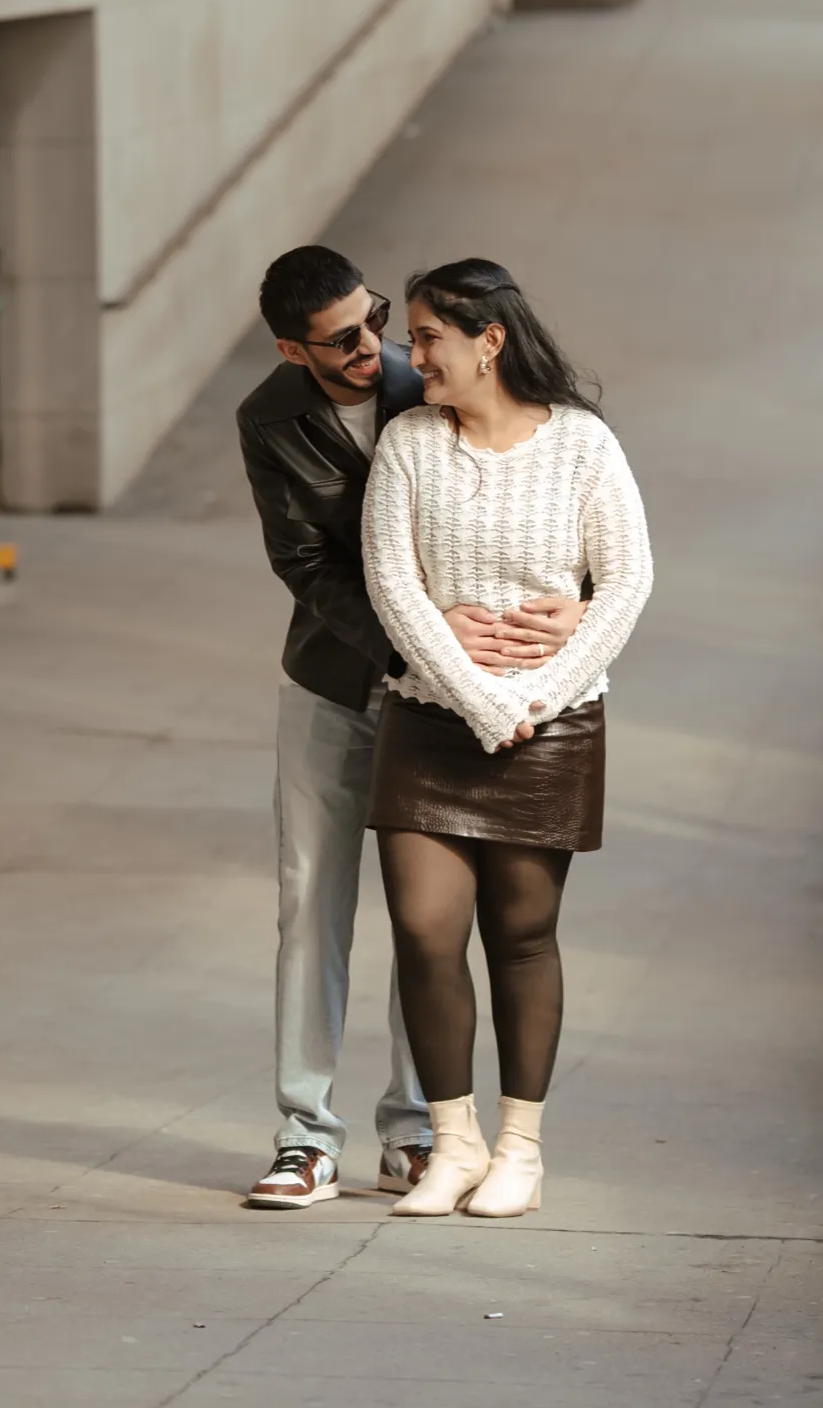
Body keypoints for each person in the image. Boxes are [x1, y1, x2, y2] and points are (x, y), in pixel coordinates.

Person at [236, 245, 588, 1209]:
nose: (374, 347)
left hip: (443, 695)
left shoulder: (433, 378)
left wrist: (580, 598)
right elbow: (304, 564)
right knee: (310, 902)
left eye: (377, 320)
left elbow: (542, 487)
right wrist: (416, 636)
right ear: (292, 349)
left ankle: (417, 1131)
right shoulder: (268, 417)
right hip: (333, 682)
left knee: (425, 914)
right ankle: (305, 1137)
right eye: (343, 339)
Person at [361, 258, 653, 1218]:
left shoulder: (583, 445)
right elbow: (393, 586)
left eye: (428, 338)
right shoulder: (407, 443)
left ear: (488, 342)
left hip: (550, 727)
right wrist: (479, 701)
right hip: (430, 720)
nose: (413, 357)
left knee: (522, 937)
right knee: (423, 930)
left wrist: (538, 698)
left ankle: (520, 1152)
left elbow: (627, 583)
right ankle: (453, 1146)